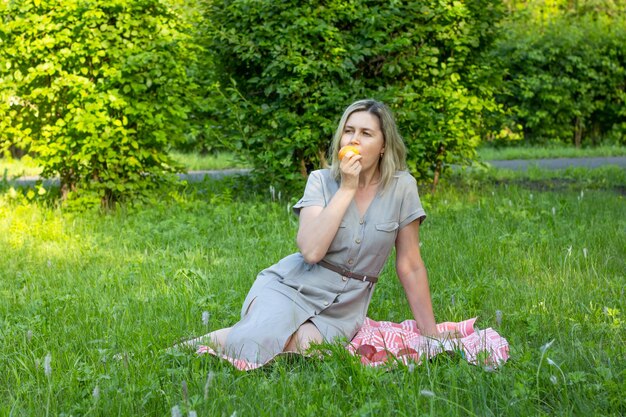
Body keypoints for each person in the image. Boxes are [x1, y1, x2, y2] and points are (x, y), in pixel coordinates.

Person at [181, 99, 445, 366]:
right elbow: (311, 251)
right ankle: (185, 349)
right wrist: (347, 189)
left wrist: (431, 334)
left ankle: (250, 332)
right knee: (258, 344)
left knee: (309, 350)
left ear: (384, 145)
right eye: (349, 131)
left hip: (346, 306)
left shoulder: (403, 187)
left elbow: (410, 265)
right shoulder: (320, 180)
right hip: (294, 286)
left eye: (366, 133)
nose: (354, 140)